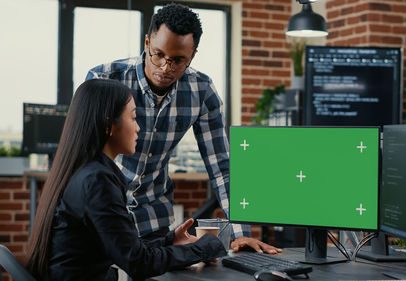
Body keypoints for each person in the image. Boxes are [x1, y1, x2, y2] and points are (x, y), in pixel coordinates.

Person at [86, 3, 280, 254]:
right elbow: (83, 155)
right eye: (158, 54)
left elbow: (222, 168)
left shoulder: (201, 91)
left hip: (152, 219)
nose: (166, 67)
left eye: (178, 60)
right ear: (147, 43)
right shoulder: (106, 79)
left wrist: (241, 233)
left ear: (192, 56)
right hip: (102, 213)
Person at [25, 79, 226, 281]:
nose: (139, 128)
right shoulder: (97, 180)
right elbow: (139, 263)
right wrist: (205, 247)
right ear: (108, 125)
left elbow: (124, 248)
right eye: (133, 118)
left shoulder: (85, 171)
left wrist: (169, 241)